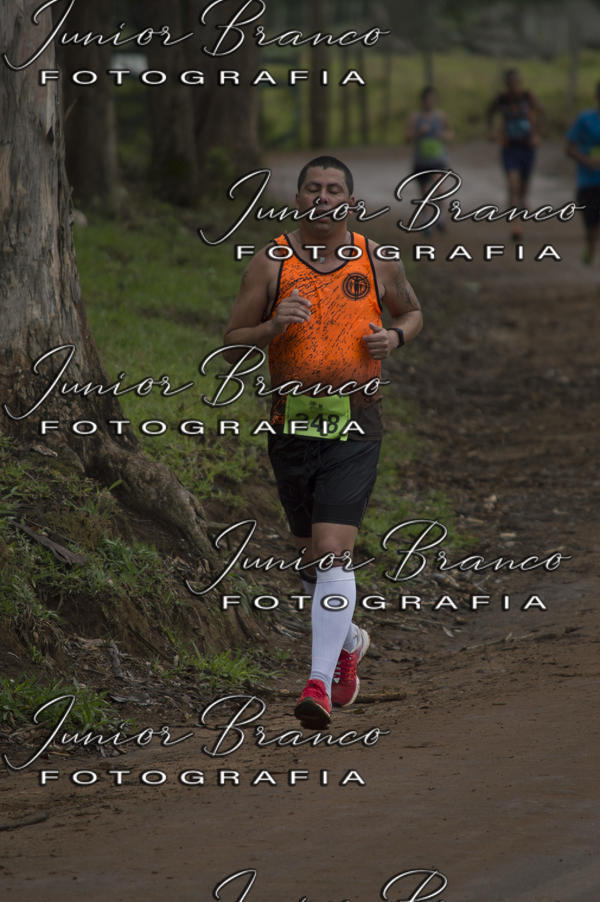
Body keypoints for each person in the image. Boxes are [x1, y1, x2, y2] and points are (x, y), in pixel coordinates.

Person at [223, 156, 423, 730]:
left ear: (351, 202)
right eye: (313, 188)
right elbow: (233, 339)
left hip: (357, 418)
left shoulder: (377, 258)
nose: (323, 197)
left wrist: (395, 336)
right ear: (298, 199)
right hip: (291, 423)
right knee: (310, 557)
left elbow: (412, 311)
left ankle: (316, 682)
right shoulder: (271, 261)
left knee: (333, 549)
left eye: (334, 189)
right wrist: (270, 329)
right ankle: (350, 640)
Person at [487, 68, 544, 241]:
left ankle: (521, 202)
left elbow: (542, 113)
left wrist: (538, 135)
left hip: (527, 147)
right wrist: (492, 131)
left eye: (516, 83)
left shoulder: (528, 97)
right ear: (507, 84)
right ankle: (515, 225)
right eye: (510, 84)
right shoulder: (502, 99)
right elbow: (489, 113)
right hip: (510, 147)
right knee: (513, 183)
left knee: (523, 188)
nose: (514, 87)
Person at [406, 86, 453, 233]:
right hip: (421, 161)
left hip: (438, 160)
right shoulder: (416, 118)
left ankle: (439, 218)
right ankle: (426, 220)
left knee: (439, 190)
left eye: (432, 100)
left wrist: (443, 135)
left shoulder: (440, 117)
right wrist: (418, 133)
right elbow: (407, 138)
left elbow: (450, 132)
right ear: (422, 101)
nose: (429, 102)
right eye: (427, 100)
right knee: (424, 194)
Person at [566, 81, 600, 265]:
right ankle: (591, 245)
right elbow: (569, 148)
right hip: (588, 181)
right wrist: (587, 161)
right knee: (590, 221)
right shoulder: (584, 120)